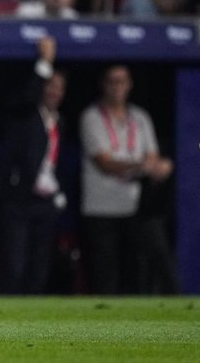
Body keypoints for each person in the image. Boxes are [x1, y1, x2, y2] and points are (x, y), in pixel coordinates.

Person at [79, 65, 173, 294]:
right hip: (101, 206)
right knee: (104, 274)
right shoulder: (91, 117)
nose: (117, 87)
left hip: (134, 206)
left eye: (122, 81)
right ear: (103, 84)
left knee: (138, 269)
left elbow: (152, 155)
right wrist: (142, 165)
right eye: (112, 81)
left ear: (130, 84)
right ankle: (102, 325)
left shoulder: (140, 117)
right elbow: (104, 162)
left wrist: (155, 165)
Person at [0, 36, 67, 295]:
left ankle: (33, 324)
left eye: (59, 87)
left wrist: (58, 191)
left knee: (40, 266)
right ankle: (5, 320)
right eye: (50, 86)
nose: (54, 91)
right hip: (19, 199)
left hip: (46, 202)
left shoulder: (58, 121)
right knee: (14, 265)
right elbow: (28, 96)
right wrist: (45, 63)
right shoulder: (26, 116)